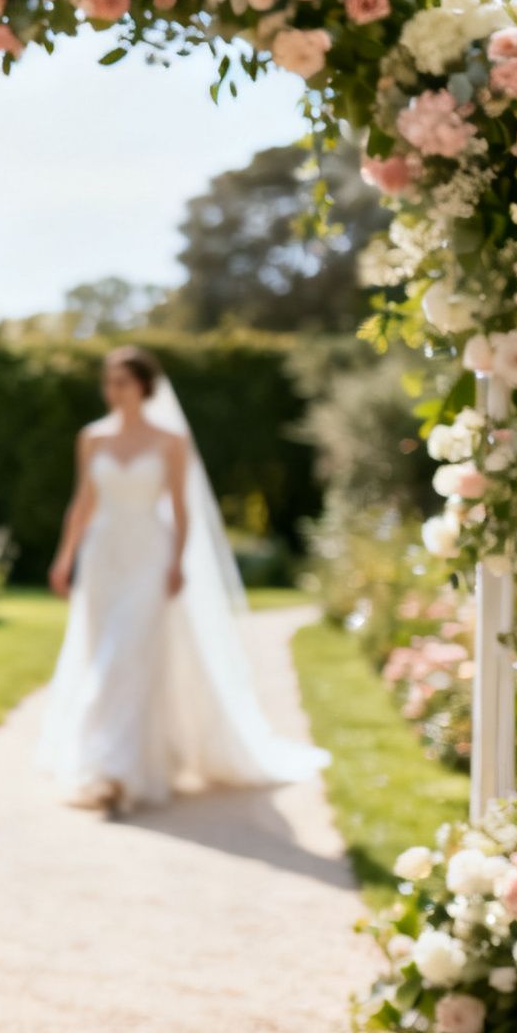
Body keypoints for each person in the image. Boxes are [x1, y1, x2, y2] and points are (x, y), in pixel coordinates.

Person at [37, 346, 328, 815]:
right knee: (102, 653)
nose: (113, 390)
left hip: (150, 555)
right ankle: (112, 763)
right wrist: (64, 557)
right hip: (103, 558)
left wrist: (176, 562)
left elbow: (180, 506)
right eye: (108, 381)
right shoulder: (92, 438)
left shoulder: (170, 441)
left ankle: (114, 772)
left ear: (144, 387)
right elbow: (82, 502)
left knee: (126, 654)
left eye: (123, 382)